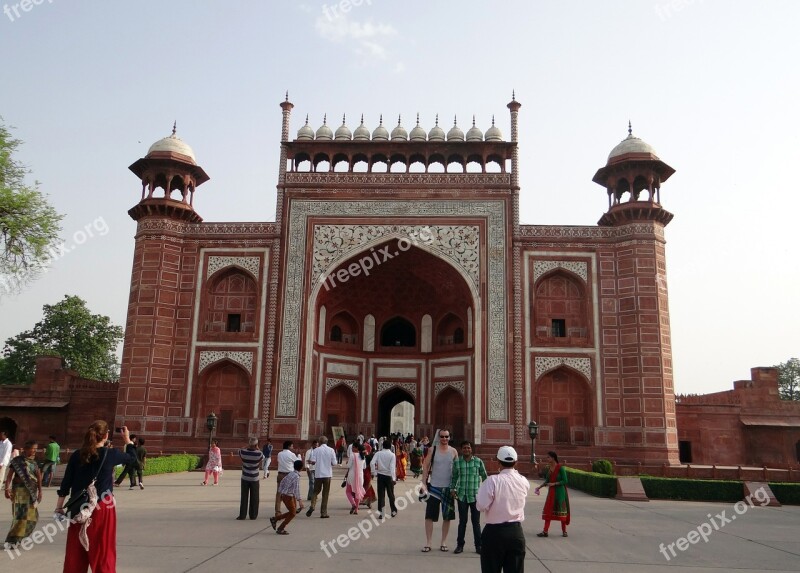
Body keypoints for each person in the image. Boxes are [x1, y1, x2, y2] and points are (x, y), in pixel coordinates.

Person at [55, 421, 137, 573]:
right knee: (102, 550)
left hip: (78, 508)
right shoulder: (111, 454)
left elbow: (66, 484)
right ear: (106, 436)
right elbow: (132, 459)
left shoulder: (76, 455)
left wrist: (59, 507)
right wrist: (128, 440)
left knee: (75, 553)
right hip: (102, 508)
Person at [476, 446, 529, 573]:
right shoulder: (523, 481)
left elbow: (481, 506)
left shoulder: (492, 481)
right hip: (516, 533)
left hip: (494, 533)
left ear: (498, 462)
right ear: (516, 462)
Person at [420, 428, 458, 552]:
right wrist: (423, 483)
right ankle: (429, 542)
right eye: (442, 436)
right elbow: (425, 465)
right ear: (438, 437)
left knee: (447, 517)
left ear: (449, 437)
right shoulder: (433, 450)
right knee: (429, 516)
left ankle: (443, 542)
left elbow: (457, 471)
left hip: (448, 488)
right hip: (434, 487)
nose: (444, 439)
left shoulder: (453, 452)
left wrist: (456, 486)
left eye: (446, 437)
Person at [450, 440, 488, 554]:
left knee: (476, 523)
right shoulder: (457, 462)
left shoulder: (478, 462)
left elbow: (485, 477)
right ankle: (460, 545)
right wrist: (452, 489)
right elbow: (454, 478)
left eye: (468, 448)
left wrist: (486, 492)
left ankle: (479, 546)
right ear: (461, 450)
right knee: (462, 522)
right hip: (462, 496)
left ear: (471, 449)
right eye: (464, 448)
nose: (466, 450)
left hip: (475, 496)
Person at [4, 440, 42, 548]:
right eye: (33, 448)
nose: (35, 451)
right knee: (19, 515)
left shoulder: (35, 462)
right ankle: (13, 539)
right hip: (19, 491)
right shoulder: (17, 461)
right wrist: (7, 489)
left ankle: (19, 538)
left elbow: (39, 478)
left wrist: (40, 492)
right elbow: (9, 476)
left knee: (31, 517)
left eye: (36, 448)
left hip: (31, 492)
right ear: (26, 449)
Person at [534, 451, 570, 538]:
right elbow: (547, 481)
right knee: (548, 511)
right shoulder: (549, 468)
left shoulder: (560, 468)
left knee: (561, 511)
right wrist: (540, 487)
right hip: (551, 493)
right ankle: (545, 531)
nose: (547, 459)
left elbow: (565, 481)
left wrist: (554, 484)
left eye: (548, 457)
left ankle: (564, 531)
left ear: (553, 458)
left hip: (560, 492)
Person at [305, 435, 337, 518]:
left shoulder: (316, 450)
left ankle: (312, 506)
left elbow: (313, 462)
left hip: (318, 474)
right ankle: (323, 513)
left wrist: (309, 462)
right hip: (327, 475)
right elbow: (334, 463)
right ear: (327, 442)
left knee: (315, 492)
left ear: (319, 442)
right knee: (325, 494)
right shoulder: (331, 450)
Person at [270, 459, 304, 534]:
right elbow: (296, 489)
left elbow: (282, 482)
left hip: (285, 495)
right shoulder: (296, 476)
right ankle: (280, 528)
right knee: (293, 513)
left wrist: (281, 492)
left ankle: (275, 519)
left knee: (292, 512)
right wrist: (300, 500)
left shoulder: (290, 473)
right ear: (301, 468)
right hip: (288, 497)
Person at [237, 437, 264, 520]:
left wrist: (248, 446)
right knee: (255, 497)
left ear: (249, 443)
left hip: (245, 476)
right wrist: (257, 448)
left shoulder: (243, 452)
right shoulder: (259, 454)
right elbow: (262, 458)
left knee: (244, 496)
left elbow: (240, 450)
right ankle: (253, 515)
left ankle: (242, 515)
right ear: (256, 445)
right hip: (254, 478)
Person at [370, 439, 397, 520]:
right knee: (391, 494)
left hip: (380, 476)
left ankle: (382, 513)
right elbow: (392, 467)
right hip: (389, 476)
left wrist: (374, 472)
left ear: (382, 446)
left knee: (381, 495)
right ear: (390, 447)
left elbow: (372, 463)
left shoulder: (378, 453)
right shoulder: (392, 455)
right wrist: (394, 478)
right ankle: (393, 511)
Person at [275, 440, 299, 515]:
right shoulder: (291, 454)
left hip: (280, 474)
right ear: (289, 446)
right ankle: (294, 508)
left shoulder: (279, 454)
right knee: (292, 492)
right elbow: (298, 463)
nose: (293, 447)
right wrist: (298, 455)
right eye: (292, 446)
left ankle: (277, 511)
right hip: (289, 475)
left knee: (279, 493)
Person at [345, 443, 366, 514]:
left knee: (348, 491)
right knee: (358, 492)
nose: (352, 448)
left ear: (357, 448)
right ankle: (356, 509)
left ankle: (353, 504)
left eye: (353, 447)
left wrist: (347, 462)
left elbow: (348, 465)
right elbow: (364, 467)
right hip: (360, 476)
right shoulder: (362, 456)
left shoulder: (352, 455)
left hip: (352, 475)